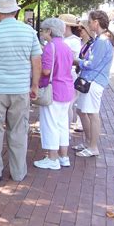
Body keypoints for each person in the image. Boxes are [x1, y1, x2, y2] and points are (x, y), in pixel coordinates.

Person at [0, 0, 42, 182]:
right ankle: (18, 172)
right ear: (16, 10)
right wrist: (34, 85)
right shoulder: (29, 32)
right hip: (20, 90)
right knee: (19, 131)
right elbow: (36, 61)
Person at [73, 10, 114, 157]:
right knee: (82, 111)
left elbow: (92, 63)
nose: (89, 24)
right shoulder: (101, 39)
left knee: (92, 114)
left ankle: (92, 146)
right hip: (91, 81)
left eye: (90, 21)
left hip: (93, 81)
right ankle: (88, 142)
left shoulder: (102, 41)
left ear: (96, 22)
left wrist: (78, 61)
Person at [33, 18, 75, 170]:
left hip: (53, 91)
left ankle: (52, 158)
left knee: (50, 124)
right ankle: (63, 156)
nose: (42, 34)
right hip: (67, 90)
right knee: (62, 125)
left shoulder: (51, 47)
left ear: (49, 31)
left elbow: (46, 71)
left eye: (43, 30)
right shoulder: (66, 46)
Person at [58, 14, 81, 127]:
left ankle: (65, 130)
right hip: (60, 73)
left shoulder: (74, 41)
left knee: (68, 104)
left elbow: (71, 59)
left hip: (69, 73)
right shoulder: (63, 39)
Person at [73, 20, 95, 133]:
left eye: (81, 29)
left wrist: (78, 62)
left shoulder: (92, 45)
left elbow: (90, 63)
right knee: (80, 106)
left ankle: (88, 135)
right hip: (80, 74)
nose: (79, 32)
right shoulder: (81, 43)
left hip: (86, 78)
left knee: (85, 109)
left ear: (87, 30)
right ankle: (83, 128)